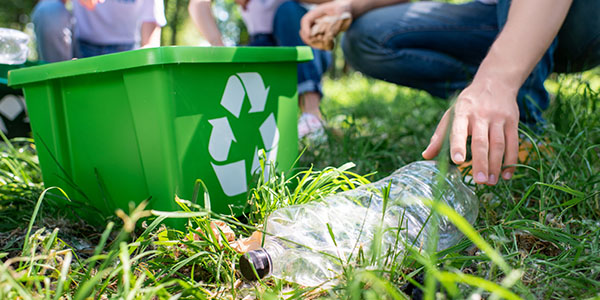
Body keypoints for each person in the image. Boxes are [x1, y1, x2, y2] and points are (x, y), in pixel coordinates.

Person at [299, 0, 600, 185]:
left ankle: (523, 130)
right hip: (493, 15)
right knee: (367, 37)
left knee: (499, 80)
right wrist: (348, 6)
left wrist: (496, 81)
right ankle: (482, 108)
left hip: (583, 18)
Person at [188, 0, 332, 139]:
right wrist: (218, 46)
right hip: (264, 42)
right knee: (241, 62)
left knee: (286, 10)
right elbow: (198, 4)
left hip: (307, 41)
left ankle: (312, 117)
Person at [32, 0, 167, 63]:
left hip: (126, 53)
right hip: (78, 47)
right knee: (48, 11)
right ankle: (57, 87)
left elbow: (151, 41)